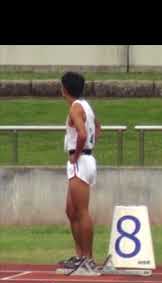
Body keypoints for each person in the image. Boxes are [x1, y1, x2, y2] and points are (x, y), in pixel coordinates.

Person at [58, 72, 101, 270]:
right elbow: (98, 126)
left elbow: (82, 133)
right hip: (85, 159)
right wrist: (90, 146)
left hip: (79, 161)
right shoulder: (86, 106)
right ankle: (80, 256)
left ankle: (88, 258)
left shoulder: (75, 108)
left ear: (64, 89)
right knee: (71, 210)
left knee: (81, 211)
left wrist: (77, 154)